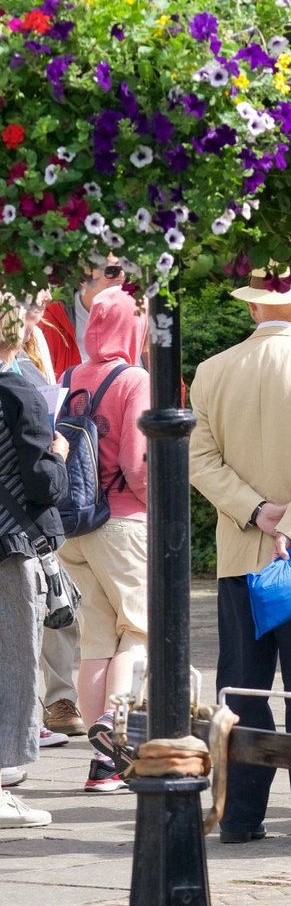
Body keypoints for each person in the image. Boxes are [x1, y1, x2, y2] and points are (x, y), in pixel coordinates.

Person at [189, 268, 291, 846]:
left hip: (243, 550)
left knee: (241, 690)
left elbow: (200, 461)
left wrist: (256, 511)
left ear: (253, 310)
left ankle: (238, 815)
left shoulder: (212, 372)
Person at [55, 287, 149, 791]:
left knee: (95, 639)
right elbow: (138, 463)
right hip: (123, 521)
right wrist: (160, 507)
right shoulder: (134, 378)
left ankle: (100, 765)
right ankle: (116, 738)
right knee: (138, 629)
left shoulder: (70, 376)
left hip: (74, 525)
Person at [0, 294, 70, 827]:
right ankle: (3, 779)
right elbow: (42, 485)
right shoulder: (21, 392)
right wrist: (60, 456)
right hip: (8, 546)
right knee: (14, 661)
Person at [15, 292, 85, 739]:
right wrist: (56, 455)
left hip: (34, 508)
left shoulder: (40, 338)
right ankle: (26, 722)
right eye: (28, 298)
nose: (39, 303)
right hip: (25, 507)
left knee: (55, 606)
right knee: (32, 614)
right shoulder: (15, 367)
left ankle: (59, 702)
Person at [40, 256, 126, 377]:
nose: (122, 276)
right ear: (83, 279)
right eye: (112, 271)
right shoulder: (50, 324)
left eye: (127, 268)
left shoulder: (141, 317)